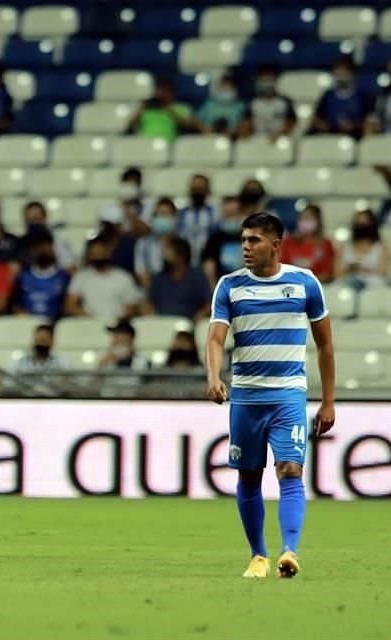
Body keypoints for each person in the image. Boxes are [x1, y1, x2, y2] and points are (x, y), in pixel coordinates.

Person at [205, 212, 336, 580]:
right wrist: (214, 376)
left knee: (290, 469)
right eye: (243, 240)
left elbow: (325, 345)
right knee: (248, 477)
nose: (245, 246)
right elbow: (216, 337)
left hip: (287, 396)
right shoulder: (229, 286)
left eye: (254, 240)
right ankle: (258, 556)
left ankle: (289, 551)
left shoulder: (304, 283)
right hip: (246, 397)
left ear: (275, 245)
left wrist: (328, 400)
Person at [201, 181, 267, 285]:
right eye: (228, 216)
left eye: (234, 215)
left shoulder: (252, 237)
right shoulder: (215, 238)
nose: (231, 219)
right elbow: (209, 267)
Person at [64, 237, 142, 320]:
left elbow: (131, 308)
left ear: (108, 253)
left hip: (117, 325)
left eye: (100, 252)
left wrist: (117, 321)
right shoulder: (81, 277)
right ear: (89, 255)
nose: (98, 256)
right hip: (90, 324)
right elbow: (69, 306)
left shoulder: (123, 277)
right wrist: (91, 318)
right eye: (94, 254)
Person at [144, 236, 213, 321]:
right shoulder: (159, 278)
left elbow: (209, 303)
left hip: (188, 326)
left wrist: (199, 316)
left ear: (181, 255)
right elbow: (149, 302)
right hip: (162, 324)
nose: (165, 254)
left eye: (169, 251)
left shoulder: (197, 277)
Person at [13, 230, 71, 321]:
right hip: (27, 323)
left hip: (55, 325)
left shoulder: (64, 277)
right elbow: (15, 304)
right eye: (38, 247)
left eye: (46, 246)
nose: (42, 250)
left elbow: (67, 307)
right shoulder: (22, 276)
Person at [309, 56, 372, 139]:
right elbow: (316, 118)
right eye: (338, 73)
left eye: (344, 73)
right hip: (329, 135)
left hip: (354, 136)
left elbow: (369, 120)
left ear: (352, 74)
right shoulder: (327, 95)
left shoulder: (362, 96)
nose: (341, 77)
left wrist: (354, 125)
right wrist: (322, 124)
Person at [334, 209, 389, 289]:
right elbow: (337, 274)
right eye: (359, 223)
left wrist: (362, 269)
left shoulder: (381, 247)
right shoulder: (344, 247)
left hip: (373, 284)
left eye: (365, 223)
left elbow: (382, 272)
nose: (362, 226)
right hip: (346, 283)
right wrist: (352, 268)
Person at [279, 205, 335, 283]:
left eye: (308, 218)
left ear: (317, 220)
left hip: (319, 286)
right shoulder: (288, 242)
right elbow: (281, 267)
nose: (304, 221)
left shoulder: (326, 244)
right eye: (301, 218)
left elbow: (328, 272)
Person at [127, 76, 195, 140]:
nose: (162, 94)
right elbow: (130, 126)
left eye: (165, 91)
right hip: (144, 143)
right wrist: (141, 109)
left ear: (172, 93)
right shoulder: (145, 108)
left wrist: (170, 111)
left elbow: (189, 126)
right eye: (159, 91)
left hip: (169, 143)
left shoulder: (180, 108)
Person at [238, 66, 296, 140]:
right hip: (256, 138)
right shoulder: (252, 102)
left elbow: (291, 123)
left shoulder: (285, 102)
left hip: (280, 139)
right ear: (258, 81)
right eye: (264, 79)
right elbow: (245, 122)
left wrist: (280, 134)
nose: (267, 83)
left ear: (276, 80)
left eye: (270, 79)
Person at [134, 197, 179, 289]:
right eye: (160, 214)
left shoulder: (182, 243)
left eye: (167, 214)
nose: (163, 217)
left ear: (175, 217)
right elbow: (142, 274)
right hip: (153, 293)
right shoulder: (143, 244)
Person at [177, 174, 218, 266]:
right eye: (195, 188)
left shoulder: (214, 212)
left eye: (201, 188)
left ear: (207, 190)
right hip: (185, 260)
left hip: (208, 259)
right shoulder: (181, 212)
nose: (197, 192)